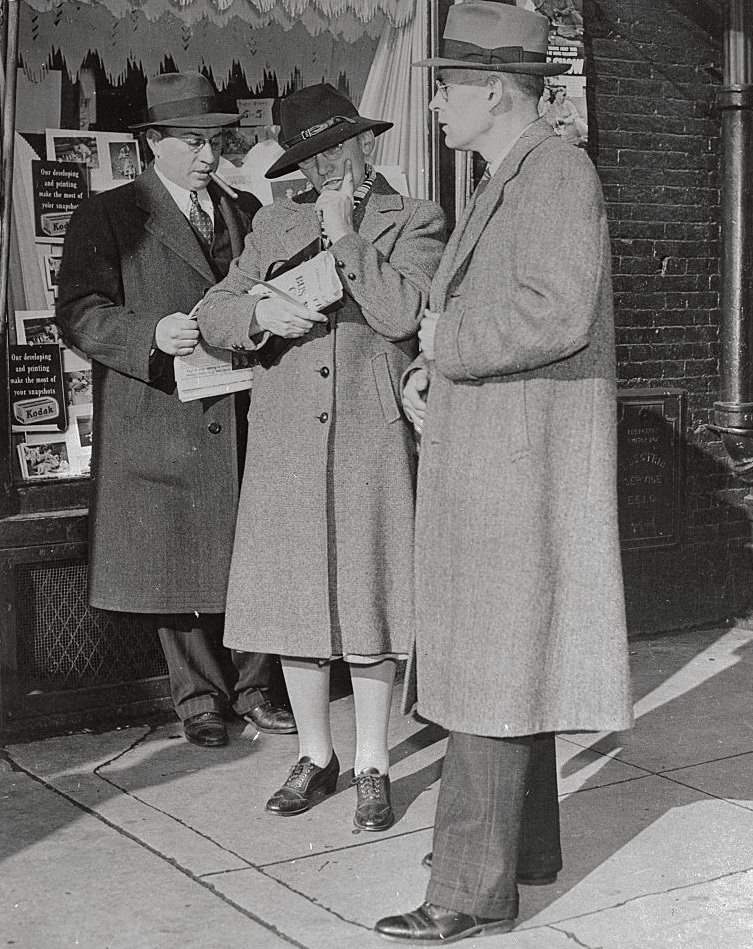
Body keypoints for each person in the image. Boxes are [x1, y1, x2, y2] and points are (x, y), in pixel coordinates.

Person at [375, 3, 633, 943]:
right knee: (507, 659)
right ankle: (521, 855)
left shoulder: (555, 174)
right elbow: (470, 315)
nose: (436, 106)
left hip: (515, 472)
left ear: (491, 88)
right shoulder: (505, 175)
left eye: (444, 87)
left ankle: (465, 892)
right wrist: (423, 368)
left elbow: (555, 311)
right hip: (494, 458)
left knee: (488, 668)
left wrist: (445, 345)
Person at [195, 83, 446, 830]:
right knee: (297, 604)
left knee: (369, 596)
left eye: (344, 147)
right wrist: (259, 313)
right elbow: (214, 310)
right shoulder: (274, 221)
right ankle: (315, 754)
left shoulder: (415, 217)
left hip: (370, 433)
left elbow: (403, 312)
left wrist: (345, 239)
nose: (332, 165)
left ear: (369, 144)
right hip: (287, 440)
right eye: (315, 155)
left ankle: (371, 760)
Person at [56, 72, 295, 749]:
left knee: (252, 551)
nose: (207, 155)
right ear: (150, 143)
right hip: (161, 411)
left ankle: (254, 689)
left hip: (244, 407)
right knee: (176, 558)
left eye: (216, 141)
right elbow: (77, 313)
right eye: (191, 142)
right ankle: (198, 699)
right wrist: (149, 334)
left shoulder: (245, 210)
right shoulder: (105, 216)